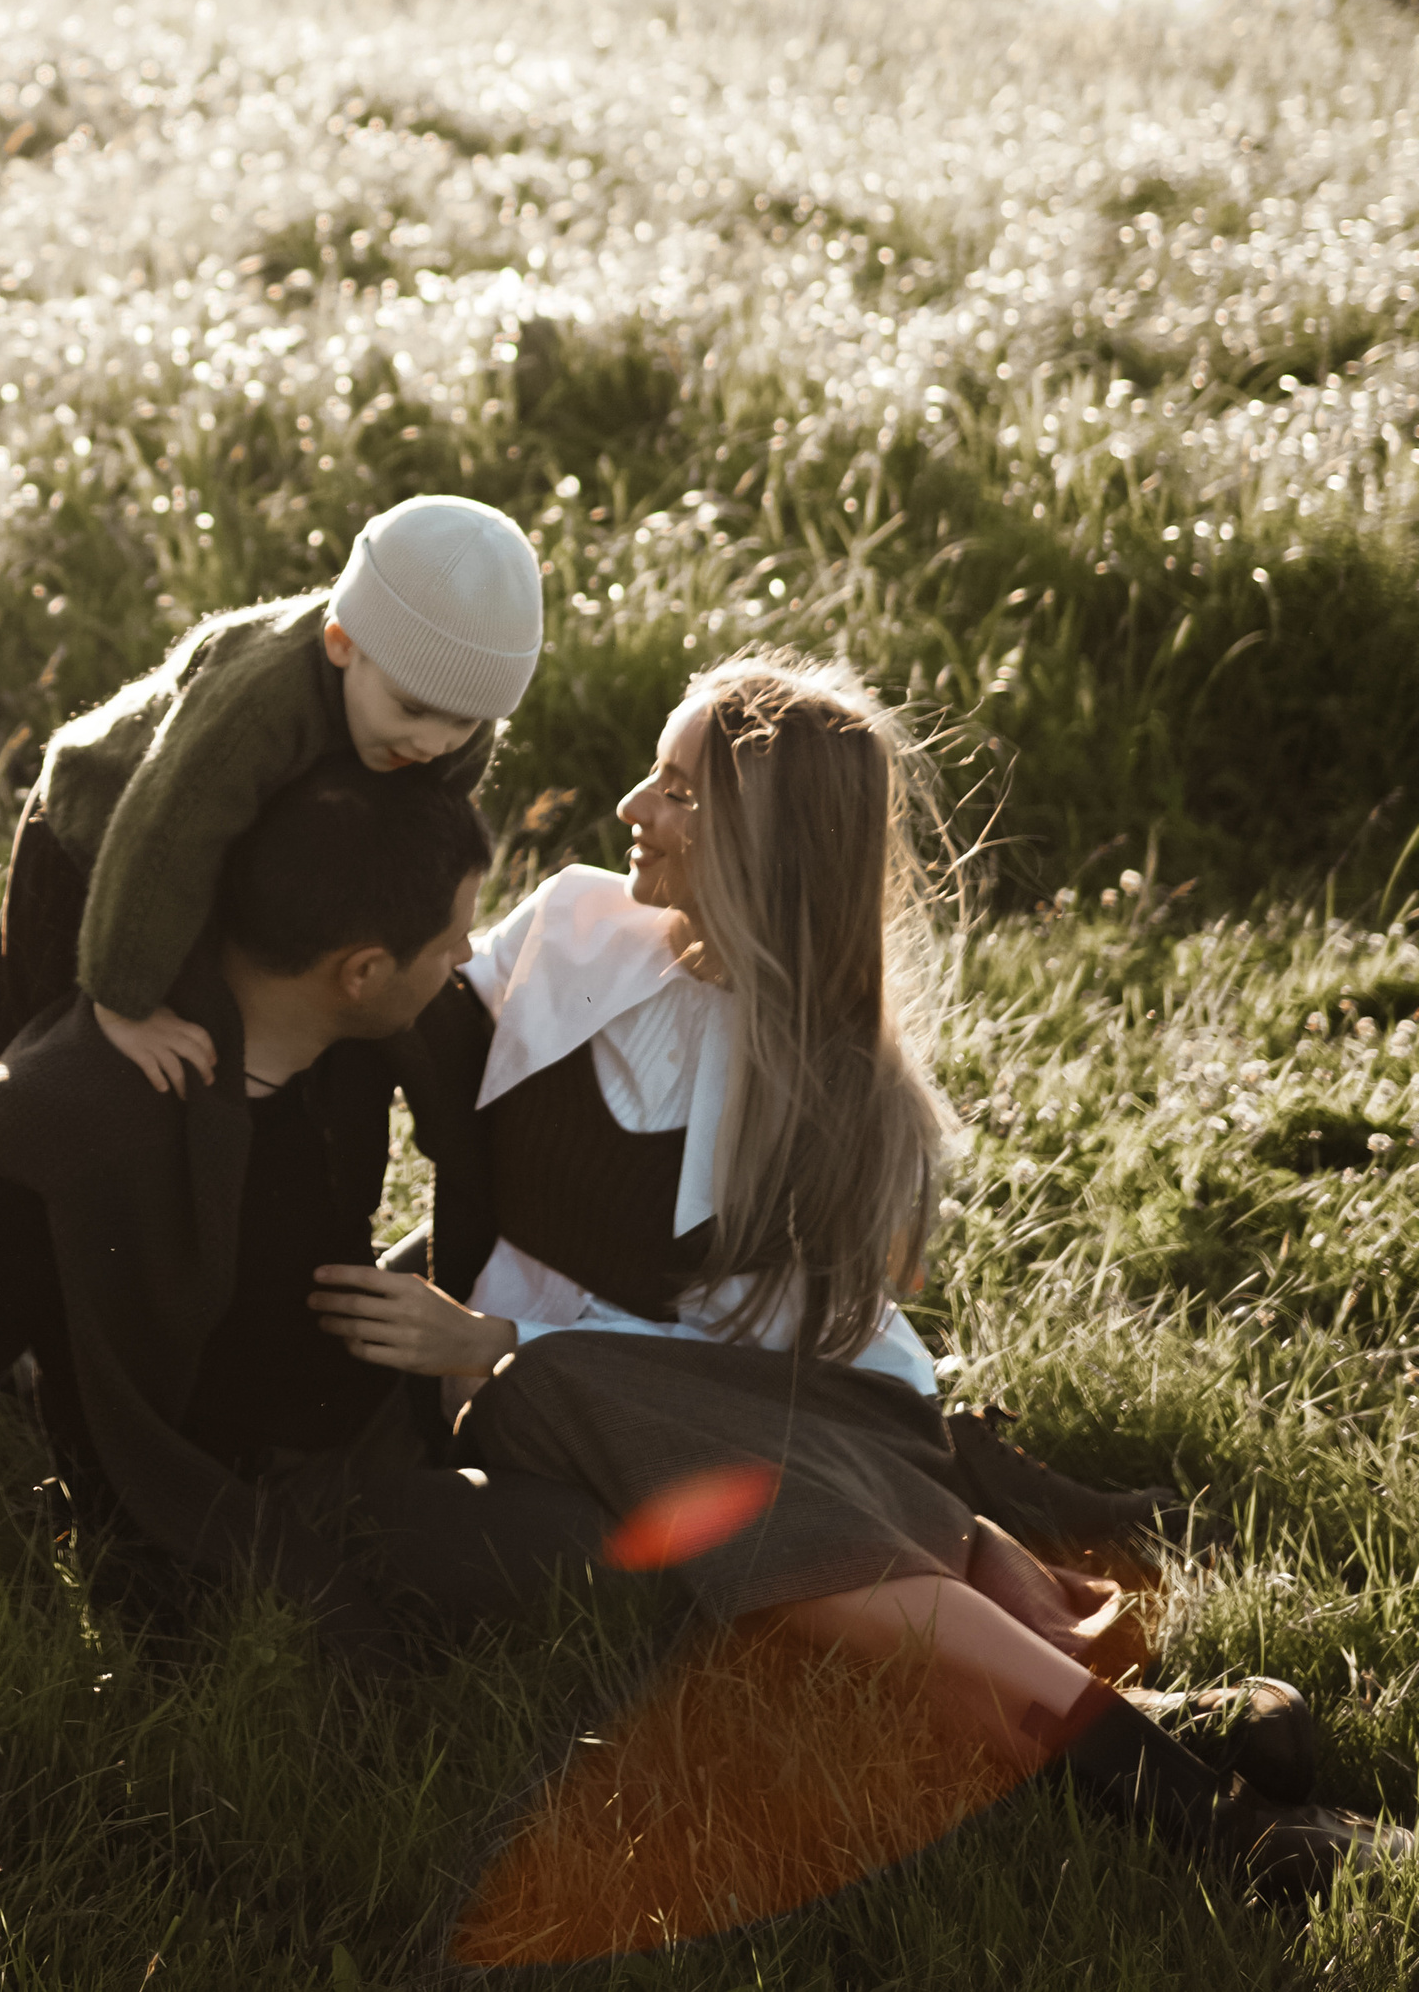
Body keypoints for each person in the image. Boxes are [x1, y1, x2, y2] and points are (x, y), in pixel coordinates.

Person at [308, 652, 1402, 1908]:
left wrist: (498, 1341)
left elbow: (761, 1350)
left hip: (734, 1399)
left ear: (758, 845)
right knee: (603, 1406)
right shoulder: (568, 923)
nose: (629, 807)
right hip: (578, 1393)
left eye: (672, 788)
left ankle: (1199, 1801)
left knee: (648, 1422)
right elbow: (412, 1007)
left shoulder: (836, 1090)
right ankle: (1186, 1767)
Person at [0, 760, 614, 1665]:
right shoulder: (79, 1116)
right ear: (362, 972)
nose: (465, 956)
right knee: (601, 1551)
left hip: (353, 1366)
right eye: (451, 938)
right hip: (247, 1479)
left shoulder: (351, 1036)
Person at [0, 496, 544, 1260]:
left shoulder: (442, 726)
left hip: (223, 855)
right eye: (415, 709)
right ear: (341, 643)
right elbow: (161, 833)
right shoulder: (257, 700)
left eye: (464, 723)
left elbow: (410, 837)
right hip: (99, 834)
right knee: (24, 1041)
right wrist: (123, 1001)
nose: (434, 741)